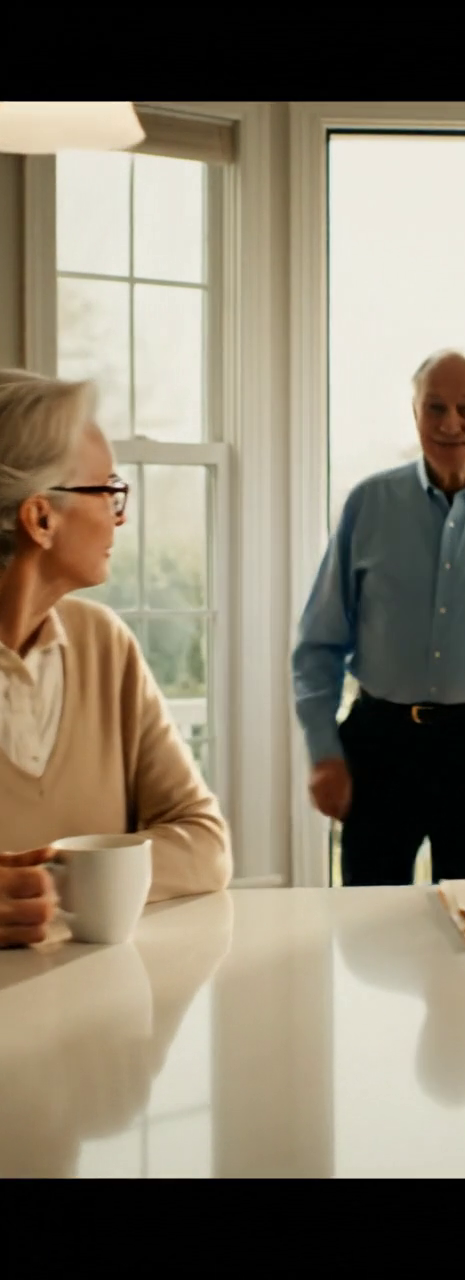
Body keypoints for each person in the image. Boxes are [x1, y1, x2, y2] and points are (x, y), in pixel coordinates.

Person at [292, 349, 465, 886]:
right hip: (380, 744)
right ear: (415, 414)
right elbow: (319, 644)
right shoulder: (369, 504)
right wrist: (324, 752)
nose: (450, 423)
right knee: (368, 931)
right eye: (435, 407)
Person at [0, 369, 232, 948]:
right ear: (41, 519)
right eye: (107, 490)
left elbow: (205, 844)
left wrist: (71, 880)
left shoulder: (106, 645)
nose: (119, 516)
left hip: (108, 1022)